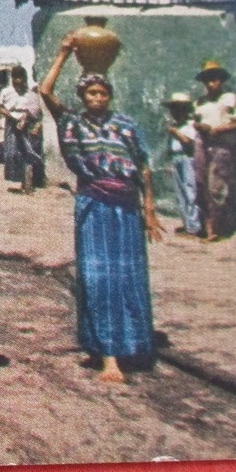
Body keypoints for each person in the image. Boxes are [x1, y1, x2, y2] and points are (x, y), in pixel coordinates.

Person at [41, 43, 163, 384]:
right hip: (94, 207)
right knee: (99, 277)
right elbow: (45, 90)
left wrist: (150, 210)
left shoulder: (125, 125)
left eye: (102, 92)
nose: (97, 98)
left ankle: (132, 345)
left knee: (129, 277)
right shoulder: (73, 123)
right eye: (91, 92)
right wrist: (64, 53)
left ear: (109, 95)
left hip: (127, 209)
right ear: (83, 95)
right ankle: (109, 356)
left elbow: (144, 168)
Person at [193, 60, 236, 241]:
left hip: (222, 147)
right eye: (207, 80)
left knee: (216, 187)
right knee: (201, 184)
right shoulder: (200, 102)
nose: (211, 83)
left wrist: (219, 129)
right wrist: (202, 126)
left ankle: (219, 228)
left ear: (221, 80)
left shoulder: (229, 99)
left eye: (214, 79)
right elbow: (195, 121)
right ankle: (208, 227)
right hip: (203, 145)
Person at [0, 65, 47, 193]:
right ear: (12, 79)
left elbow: (35, 111)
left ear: (25, 79)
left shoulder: (31, 93)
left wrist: (26, 118)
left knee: (29, 152)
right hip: (11, 123)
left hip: (28, 124)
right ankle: (19, 180)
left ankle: (29, 183)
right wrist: (12, 117)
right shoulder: (6, 92)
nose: (18, 84)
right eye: (15, 80)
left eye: (21, 80)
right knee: (12, 153)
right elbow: (0, 107)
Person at [163, 93, 203, 237]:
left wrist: (175, 132)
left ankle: (194, 226)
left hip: (187, 158)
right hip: (176, 158)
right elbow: (169, 146)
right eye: (173, 109)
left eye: (177, 109)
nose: (174, 113)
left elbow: (189, 142)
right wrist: (168, 163)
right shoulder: (175, 126)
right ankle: (187, 223)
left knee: (190, 190)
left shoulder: (190, 125)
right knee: (180, 193)